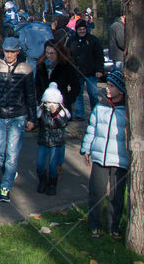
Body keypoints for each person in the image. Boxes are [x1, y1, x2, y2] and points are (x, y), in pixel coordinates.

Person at [0, 37, 36, 202]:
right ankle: (10, 171)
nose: (9, 55)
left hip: (18, 115)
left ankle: (5, 186)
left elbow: (31, 95)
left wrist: (32, 118)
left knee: (12, 153)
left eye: (12, 52)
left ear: (18, 52)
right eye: (7, 51)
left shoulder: (26, 69)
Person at [81, 69, 128, 240]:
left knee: (117, 195)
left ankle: (114, 226)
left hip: (120, 159)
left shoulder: (128, 111)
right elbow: (91, 129)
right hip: (100, 157)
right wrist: (86, 149)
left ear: (121, 90)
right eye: (107, 84)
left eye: (111, 86)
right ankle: (94, 225)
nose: (107, 88)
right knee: (97, 192)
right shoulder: (100, 107)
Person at [36, 82, 70, 196]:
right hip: (43, 140)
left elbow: (63, 124)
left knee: (52, 165)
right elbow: (38, 122)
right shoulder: (41, 111)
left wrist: (55, 114)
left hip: (56, 142)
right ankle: (42, 180)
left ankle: (52, 184)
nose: (50, 105)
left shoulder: (61, 112)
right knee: (40, 164)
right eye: (48, 102)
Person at [68, 20, 104, 121]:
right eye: (80, 29)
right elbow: (68, 56)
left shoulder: (93, 40)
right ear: (76, 30)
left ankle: (95, 113)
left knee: (93, 94)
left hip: (91, 72)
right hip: (76, 72)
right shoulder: (71, 40)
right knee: (78, 94)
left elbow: (99, 56)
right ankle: (79, 113)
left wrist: (99, 69)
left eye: (84, 29)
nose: (82, 31)